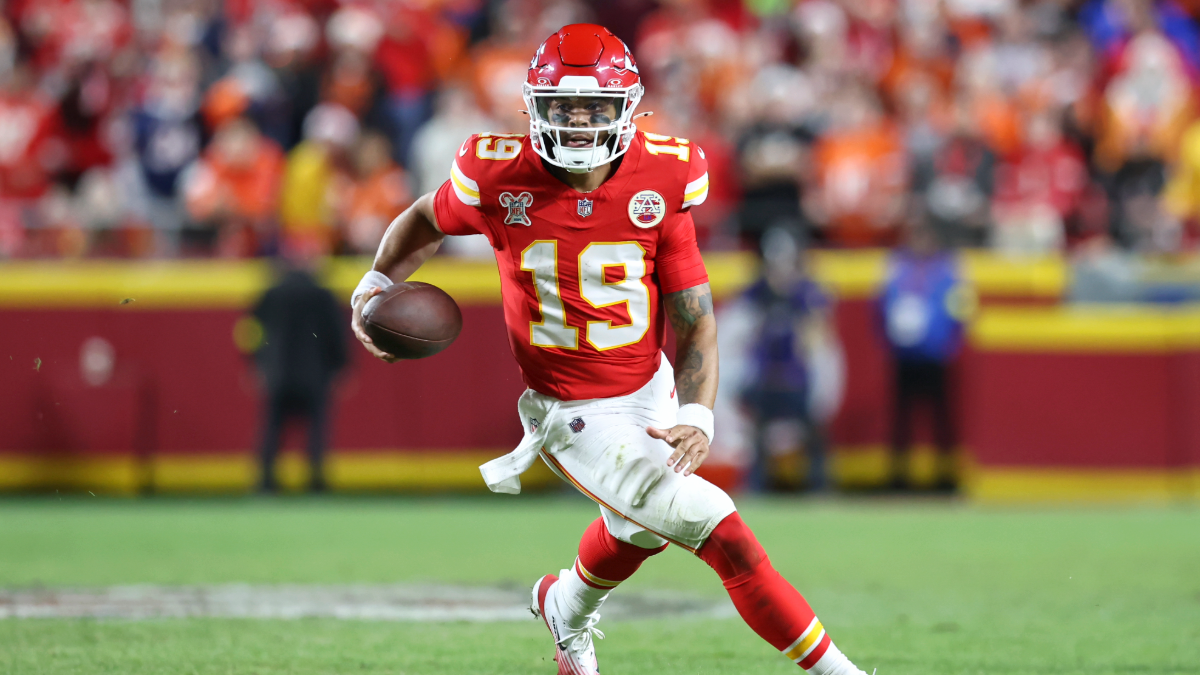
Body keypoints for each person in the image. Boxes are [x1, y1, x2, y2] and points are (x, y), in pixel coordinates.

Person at [349, 25, 872, 675]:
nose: (575, 124)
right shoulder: (497, 172)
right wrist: (376, 282)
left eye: (593, 108)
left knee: (640, 528)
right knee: (721, 529)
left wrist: (698, 412)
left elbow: (694, 315)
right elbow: (428, 216)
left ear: (627, 108)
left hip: (649, 384)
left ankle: (563, 603)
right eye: (561, 107)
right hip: (570, 406)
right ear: (534, 106)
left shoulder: (664, 174)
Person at [740, 227, 842, 492]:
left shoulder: (805, 292)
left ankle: (819, 485)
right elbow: (739, 323)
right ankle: (756, 486)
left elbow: (819, 326)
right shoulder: (758, 291)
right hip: (767, 373)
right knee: (758, 435)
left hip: (795, 373)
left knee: (812, 432)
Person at [879, 213, 974, 492]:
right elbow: (879, 306)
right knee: (901, 420)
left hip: (936, 356)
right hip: (904, 356)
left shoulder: (949, 269)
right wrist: (888, 342)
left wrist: (950, 344)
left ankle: (946, 478)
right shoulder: (896, 266)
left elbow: (961, 308)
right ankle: (898, 477)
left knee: (941, 419)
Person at [253, 256, 347, 493]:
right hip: (314, 371)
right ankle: (316, 482)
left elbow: (251, 331)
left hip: (277, 370)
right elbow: (336, 333)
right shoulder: (323, 294)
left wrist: (255, 364)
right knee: (317, 427)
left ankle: (266, 482)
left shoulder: (271, 293)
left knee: (273, 427)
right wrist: (341, 367)